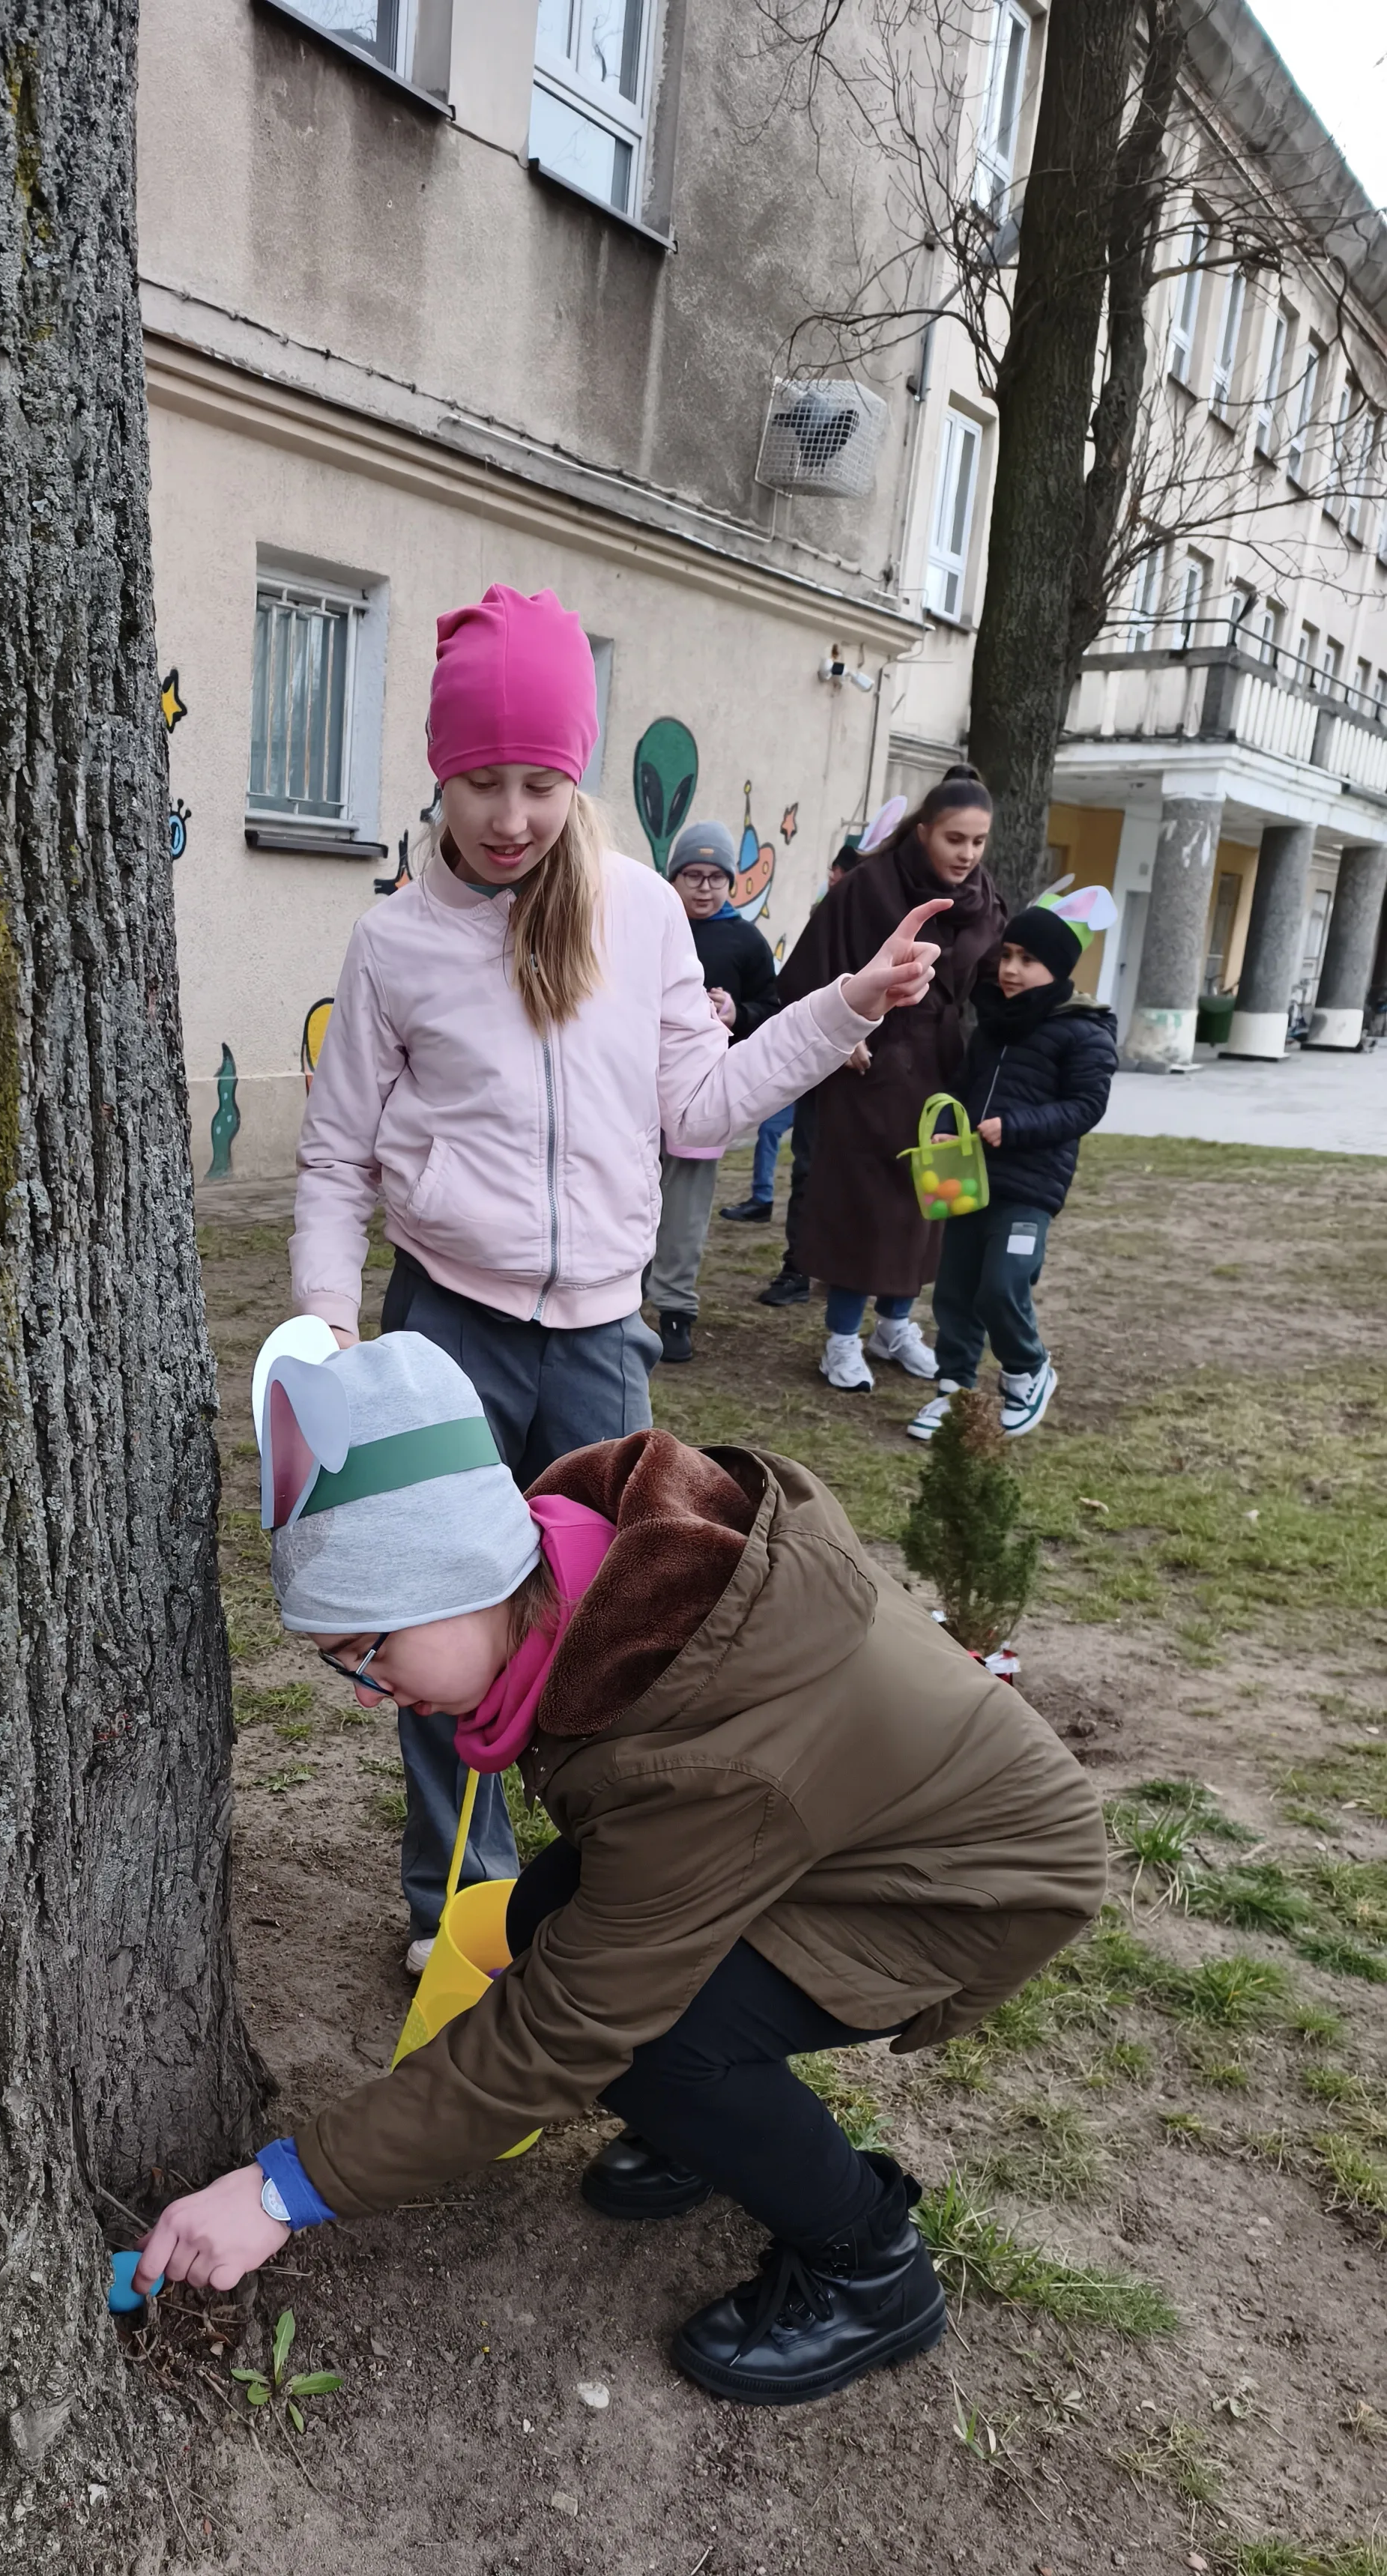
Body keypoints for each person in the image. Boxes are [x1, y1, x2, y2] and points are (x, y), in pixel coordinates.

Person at [139, 1329, 1107, 2405]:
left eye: (372, 1647)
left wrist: (283, 2191)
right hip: (848, 1828)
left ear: (460, 1576)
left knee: (649, 2041)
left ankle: (871, 2267)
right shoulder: (597, 1578)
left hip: (962, 1888)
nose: (370, 1692)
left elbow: (567, 2027)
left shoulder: (698, 1744)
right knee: (552, 1916)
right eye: (342, 1665)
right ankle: (708, 2137)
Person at [288, 584, 934, 1975]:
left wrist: (843, 1007)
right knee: (444, 1620)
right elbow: (337, 1154)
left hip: (601, 1340)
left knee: (621, 1629)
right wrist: (326, 1326)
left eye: (540, 783)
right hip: (447, 1330)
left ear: (575, 778)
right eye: (480, 783)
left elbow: (699, 1107)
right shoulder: (396, 940)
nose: (510, 816)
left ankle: (597, 1894)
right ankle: (453, 1902)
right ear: (440, 775)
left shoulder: (642, 912)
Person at [778, 774, 1006, 1392]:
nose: (968, 854)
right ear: (924, 831)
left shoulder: (984, 897)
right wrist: (841, 1030)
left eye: (979, 841)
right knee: (863, 1205)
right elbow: (807, 973)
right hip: (869, 1067)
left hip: (942, 1071)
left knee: (929, 1200)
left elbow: (993, 980)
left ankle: (896, 1325)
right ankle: (841, 1338)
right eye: (955, 839)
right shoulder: (868, 888)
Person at [907, 906, 1116, 1444]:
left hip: (1030, 1186)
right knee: (955, 1290)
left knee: (1001, 1286)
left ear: (1059, 968)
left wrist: (1015, 1127)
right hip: (970, 1177)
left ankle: (1028, 1372)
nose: (1011, 969)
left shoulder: (1084, 1031)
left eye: (1028, 960)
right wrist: (949, 1126)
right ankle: (955, 1390)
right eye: (1007, 956)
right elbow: (962, 1087)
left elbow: (1086, 1106)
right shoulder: (994, 1025)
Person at [646, 822, 781, 1362]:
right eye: (693, 875)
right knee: (624, 1194)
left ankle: (675, 1308)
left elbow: (771, 1009)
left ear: (730, 882)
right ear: (673, 877)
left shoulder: (745, 941)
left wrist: (735, 1013)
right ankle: (620, 1297)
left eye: (716, 877)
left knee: (685, 1207)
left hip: (701, 1092)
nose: (704, 888)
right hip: (633, 1088)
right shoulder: (647, 923)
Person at [731, 838, 862, 1249]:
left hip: (843, 1069)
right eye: (832, 873)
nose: (832, 879)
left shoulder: (863, 926)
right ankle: (765, 1203)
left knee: (817, 1161)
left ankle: (806, 1256)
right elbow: (797, 986)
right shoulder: (826, 918)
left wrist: (852, 1032)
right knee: (776, 1133)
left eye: (839, 873)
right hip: (807, 1055)